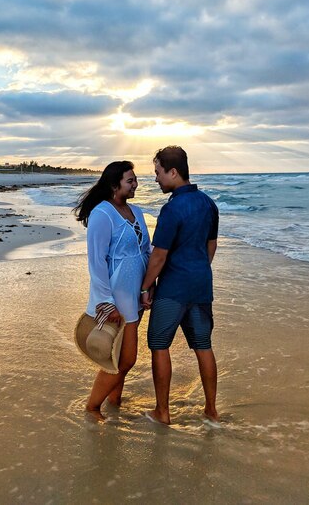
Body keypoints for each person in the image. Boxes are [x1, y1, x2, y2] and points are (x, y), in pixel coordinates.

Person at [140, 146, 219, 425]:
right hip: (201, 284)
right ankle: (211, 411)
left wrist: (145, 287)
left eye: (158, 173)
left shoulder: (172, 208)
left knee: (159, 344)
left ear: (174, 172)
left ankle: (162, 412)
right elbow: (211, 246)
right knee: (203, 346)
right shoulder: (209, 203)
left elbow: (159, 255)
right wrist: (197, 269)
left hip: (173, 288)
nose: (157, 179)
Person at [73, 161, 151, 420]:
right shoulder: (102, 214)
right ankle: (93, 406)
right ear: (113, 184)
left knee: (122, 355)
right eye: (130, 180)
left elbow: (146, 251)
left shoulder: (137, 211)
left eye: (135, 179)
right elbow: (96, 261)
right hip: (117, 295)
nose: (135, 184)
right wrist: (106, 301)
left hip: (134, 293)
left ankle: (115, 400)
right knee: (124, 358)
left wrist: (148, 287)